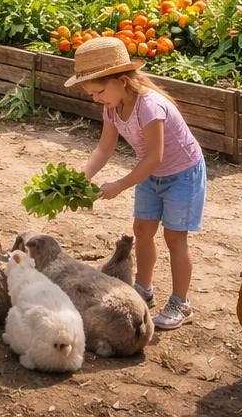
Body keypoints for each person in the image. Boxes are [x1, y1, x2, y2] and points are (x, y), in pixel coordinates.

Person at [66, 35, 205, 332]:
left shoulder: (150, 106)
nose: (96, 98)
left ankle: (181, 302)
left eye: (100, 90)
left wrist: (118, 184)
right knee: (142, 229)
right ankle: (144, 288)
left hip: (182, 174)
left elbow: (155, 157)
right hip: (150, 174)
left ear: (123, 81)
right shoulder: (112, 107)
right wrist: (80, 177)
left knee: (175, 237)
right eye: (92, 93)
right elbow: (104, 149)